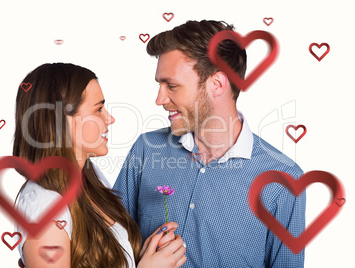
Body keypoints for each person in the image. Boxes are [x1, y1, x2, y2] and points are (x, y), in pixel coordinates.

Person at [113, 20, 305, 267]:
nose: (159, 99)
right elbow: (104, 248)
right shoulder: (146, 149)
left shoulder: (283, 181)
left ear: (217, 84)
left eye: (171, 86)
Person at [13, 63, 187, 268]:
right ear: (61, 120)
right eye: (98, 109)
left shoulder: (91, 177)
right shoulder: (43, 205)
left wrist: (141, 255)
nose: (109, 119)